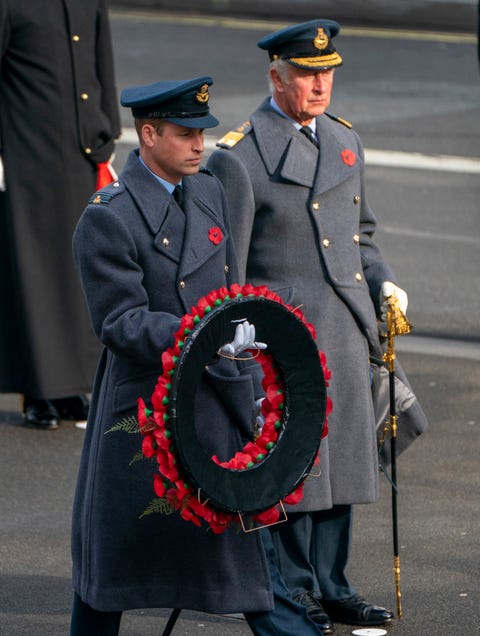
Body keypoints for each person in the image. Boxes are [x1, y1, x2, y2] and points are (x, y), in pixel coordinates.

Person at [69, 76, 327, 636]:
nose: (198, 144)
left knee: (246, 564)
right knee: (113, 572)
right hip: (144, 409)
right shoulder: (108, 216)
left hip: (216, 401)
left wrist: (247, 341)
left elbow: (230, 283)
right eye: (185, 134)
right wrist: (207, 333)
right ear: (149, 134)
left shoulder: (208, 191)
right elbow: (121, 323)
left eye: (201, 133)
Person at [207, 19, 409, 633]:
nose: (320, 84)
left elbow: (360, 237)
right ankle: (293, 590)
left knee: (345, 463)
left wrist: (383, 283)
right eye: (306, 73)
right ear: (277, 76)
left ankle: (334, 584)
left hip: (345, 328)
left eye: (327, 73)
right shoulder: (242, 155)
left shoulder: (346, 141)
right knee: (297, 465)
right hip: (287, 337)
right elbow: (230, 263)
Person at [0, 0, 121, 429]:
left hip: (81, 151)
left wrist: (107, 122)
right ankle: (38, 392)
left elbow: (100, 58)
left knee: (76, 273)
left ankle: (71, 387)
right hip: (28, 154)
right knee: (35, 279)